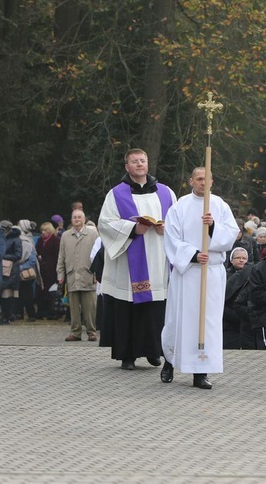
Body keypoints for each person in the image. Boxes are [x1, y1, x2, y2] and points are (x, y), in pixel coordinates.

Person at [160, 167, 238, 388]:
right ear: (191, 181)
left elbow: (231, 234)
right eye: (199, 179)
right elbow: (171, 238)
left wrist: (213, 227)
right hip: (188, 273)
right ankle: (170, 360)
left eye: (207, 179)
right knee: (179, 319)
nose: (203, 183)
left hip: (212, 273)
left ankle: (201, 372)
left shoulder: (220, 206)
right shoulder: (179, 207)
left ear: (212, 182)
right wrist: (192, 254)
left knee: (208, 323)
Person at [98, 148, 176, 370]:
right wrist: (133, 228)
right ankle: (128, 355)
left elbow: (177, 221)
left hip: (158, 258)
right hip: (128, 264)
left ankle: (154, 351)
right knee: (128, 308)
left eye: (143, 160)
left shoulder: (166, 192)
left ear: (148, 164)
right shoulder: (116, 194)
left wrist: (166, 228)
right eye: (135, 161)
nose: (140, 164)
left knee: (155, 308)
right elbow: (105, 223)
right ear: (127, 167)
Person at [57, 209, 100, 341]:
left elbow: (99, 255)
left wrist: (97, 273)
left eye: (79, 217)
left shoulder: (93, 234)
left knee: (90, 307)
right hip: (72, 275)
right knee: (74, 308)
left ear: (84, 219)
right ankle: (75, 332)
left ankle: (92, 332)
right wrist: (60, 274)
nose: (77, 219)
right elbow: (61, 256)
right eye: (74, 217)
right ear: (71, 220)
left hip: (88, 274)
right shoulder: (65, 236)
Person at [223, 247, 252, 349]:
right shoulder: (224, 275)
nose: (241, 260)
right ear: (231, 260)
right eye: (238, 258)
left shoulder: (253, 275)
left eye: (244, 258)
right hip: (228, 319)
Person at [0, 220, 23, 324]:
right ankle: (7, 315)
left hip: (10, 270)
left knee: (6, 295)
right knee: (1, 295)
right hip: (2, 269)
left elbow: (18, 255)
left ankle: (6, 316)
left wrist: (2, 256)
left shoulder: (16, 240)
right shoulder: (3, 238)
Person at [36, 221, 61, 318]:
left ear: (50, 231)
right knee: (41, 291)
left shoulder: (56, 241)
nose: (43, 232)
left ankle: (51, 312)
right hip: (41, 269)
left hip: (52, 269)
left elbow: (58, 255)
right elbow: (37, 250)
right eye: (42, 230)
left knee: (50, 292)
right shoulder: (40, 240)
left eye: (45, 230)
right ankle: (41, 311)